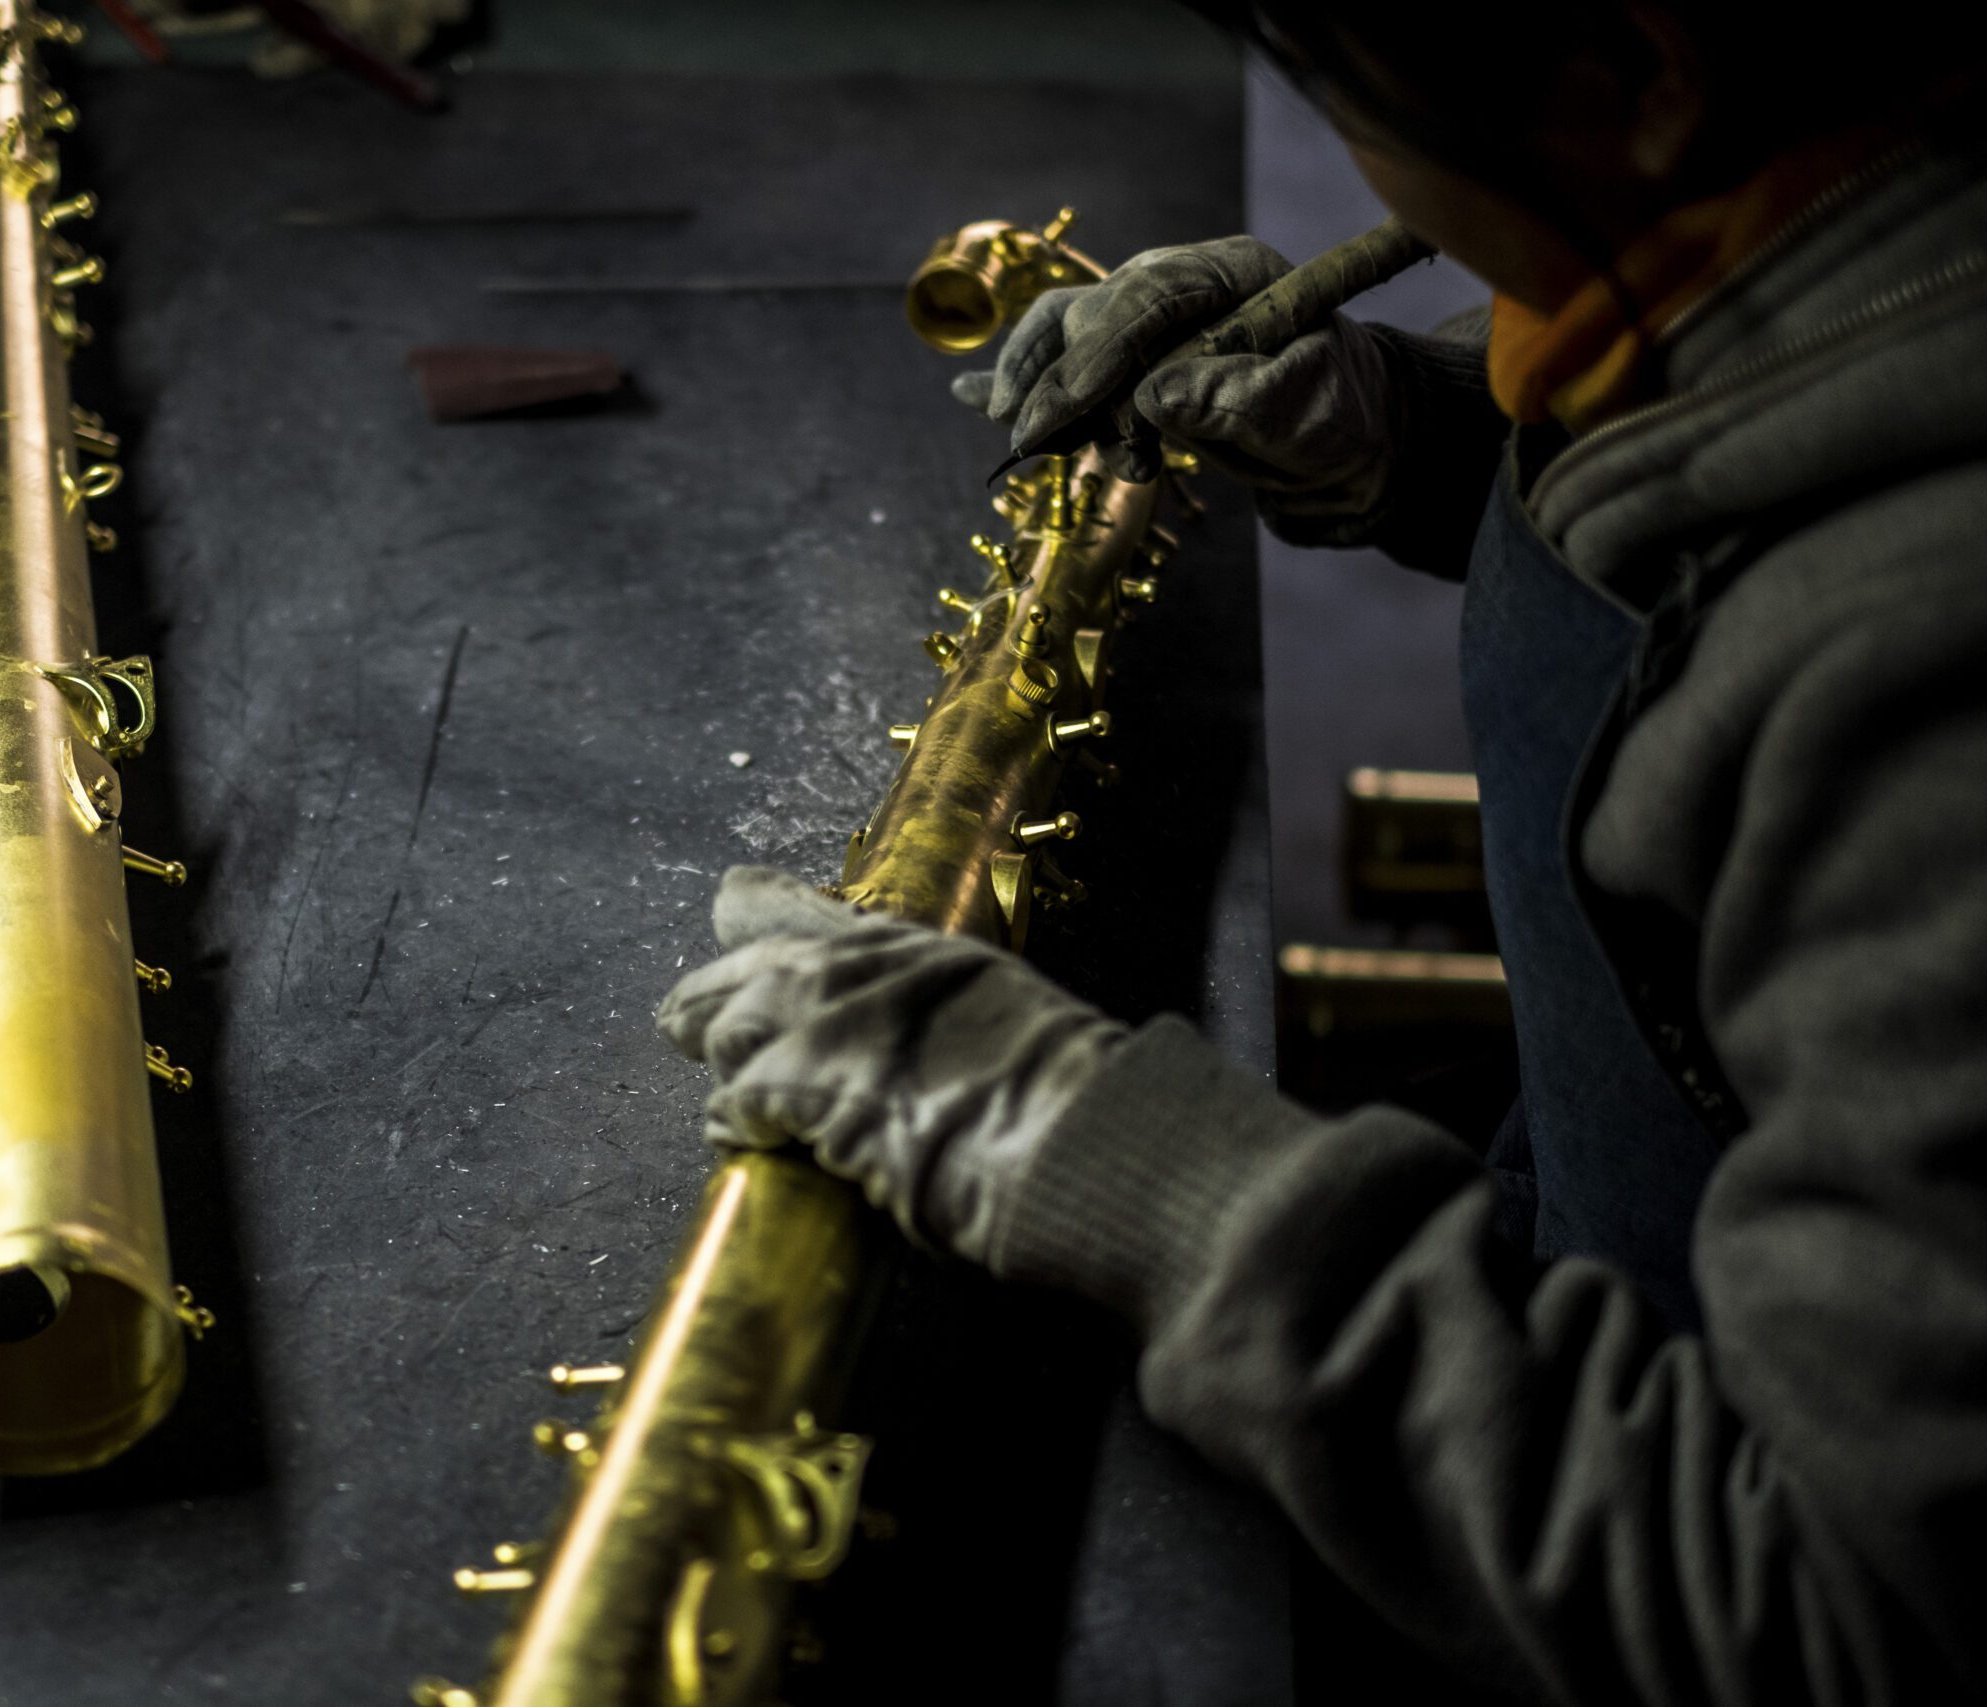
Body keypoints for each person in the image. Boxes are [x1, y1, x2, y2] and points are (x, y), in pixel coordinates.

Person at [655, 5, 1987, 1702]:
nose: (1358, 166)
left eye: (1349, 85)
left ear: (1649, 76)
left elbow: (1837, 1618)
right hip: (1623, 1203)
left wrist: (1107, 1152)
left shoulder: (1930, 692)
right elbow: (1733, 465)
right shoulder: (1843, 207)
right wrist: (1418, 425)